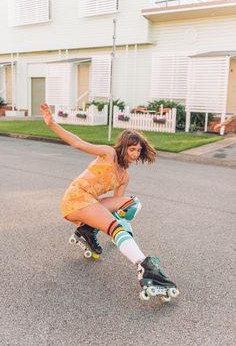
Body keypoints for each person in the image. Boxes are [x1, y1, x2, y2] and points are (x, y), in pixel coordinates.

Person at [41, 103, 179, 301]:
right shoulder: (109, 154)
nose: (134, 154)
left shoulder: (124, 176)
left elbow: (118, 207)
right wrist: (52, 124)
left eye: (138, 151)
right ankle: (143, 266)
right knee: (116, 226)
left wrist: (125, 232)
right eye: (131, 149)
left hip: (91, 203)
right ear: (123, 147)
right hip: (76, 198)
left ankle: (89, 230)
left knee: (132, 204)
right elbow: (78, 143)